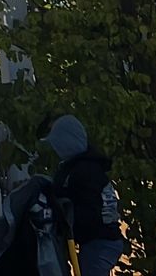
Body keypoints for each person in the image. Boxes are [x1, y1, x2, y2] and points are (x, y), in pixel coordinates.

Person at [47, 115, 125, 275]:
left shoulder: (83, 172)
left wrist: (63, 221)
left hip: (99, 241)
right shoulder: (86, 167)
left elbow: (89, 212)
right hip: (102, 239)